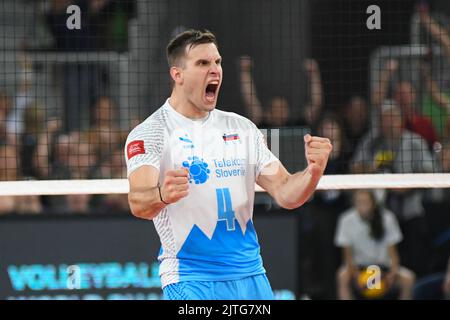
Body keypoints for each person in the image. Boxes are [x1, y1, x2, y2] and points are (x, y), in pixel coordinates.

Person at [125, 29, 332, 300]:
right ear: (178, 75)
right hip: (192, 278)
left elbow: (286, 193)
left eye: (217, 62)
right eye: (202, 63)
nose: (215, 70)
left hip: (251, 276)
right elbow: (138, 202)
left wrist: (313, 172)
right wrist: (162, 195)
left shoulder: (242, 127)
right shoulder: (150, 132)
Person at [335, 189, 416, 300]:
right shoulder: (346, 219)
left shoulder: (388, 218)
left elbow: (393, 252)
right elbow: (347, 255)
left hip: (384, 269)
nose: (362, 206)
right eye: (359, 202)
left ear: (373, 203)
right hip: (359, 269)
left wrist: (392, 273)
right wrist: (356, 274)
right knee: (342, 276)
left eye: (365, 202)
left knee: (408, 278)